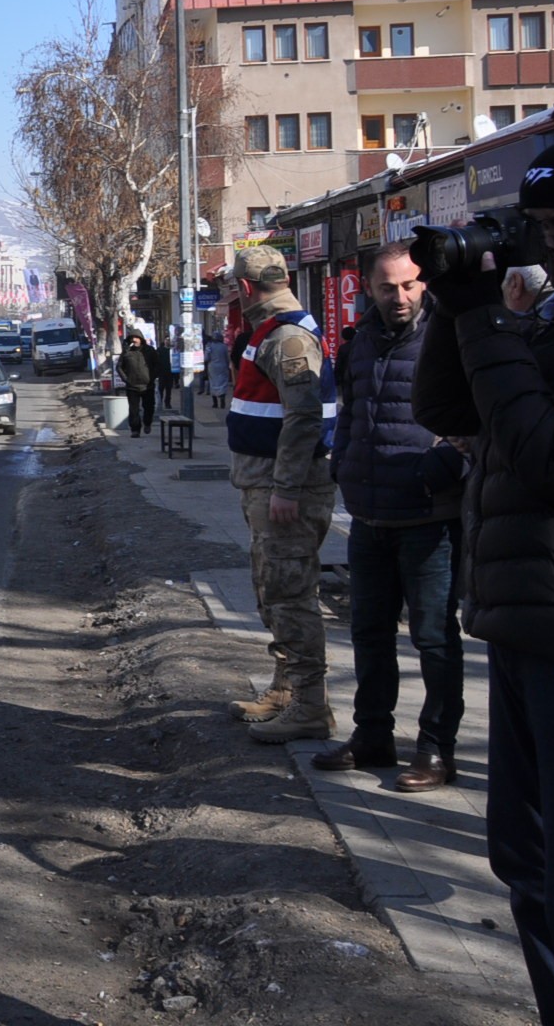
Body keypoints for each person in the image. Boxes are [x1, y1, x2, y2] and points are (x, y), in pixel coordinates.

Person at [413, 132, 554, 1023]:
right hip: (531, 631)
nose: (546, 242)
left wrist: (489, 323)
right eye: (534, 224)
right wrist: (461, 309)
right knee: (527, 870)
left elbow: (551, 456)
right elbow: (450, 410)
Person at [311, 244, 466, 791]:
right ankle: (372, 735)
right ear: (368, 289)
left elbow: (478, 418)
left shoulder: (450, 335)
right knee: (369, 634)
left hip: (430, 518)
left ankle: (435, 750)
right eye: (386, 287)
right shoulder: (360, 342)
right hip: (369, 516)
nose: (398, 297)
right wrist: (344, 466)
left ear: (423, 284)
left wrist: (443, 465)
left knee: (433, 639)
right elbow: (351, 412)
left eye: (408, 285)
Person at [224, 246, 338, 745]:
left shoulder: (288, 338)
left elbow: (304, 415)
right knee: (275, 591)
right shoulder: (269, 333)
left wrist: (287, 488)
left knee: (290, 595)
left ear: (246, 289)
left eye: (233, 287)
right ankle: (286, 690)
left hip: (284, 490)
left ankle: (311, 706)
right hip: (268, 486)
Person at [119, 331, 158, 437]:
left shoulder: (149, 351)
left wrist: (152, 377)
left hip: (147, 386)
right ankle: (135, 430)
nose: (134, 340)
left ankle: (147, 423)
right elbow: (119, 367)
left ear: (141, 339)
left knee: (149, 407)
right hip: (132, 386)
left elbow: (157, 365)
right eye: (132, 338)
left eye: (136, 338)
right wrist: (126, 379)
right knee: (133, 410)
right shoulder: (126, 352)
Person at [204, 331, 231, 408]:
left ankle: (215, 403)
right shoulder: (224, 346)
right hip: (223, 366)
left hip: (212, 366)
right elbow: (227, 358)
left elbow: (206, 358)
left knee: (213, 383)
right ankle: (222, 399)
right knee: (223, 382)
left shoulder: (209, 346)